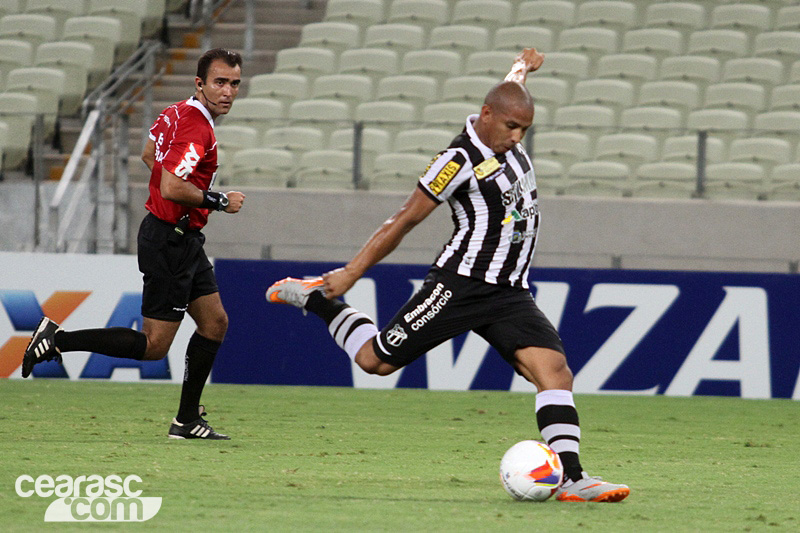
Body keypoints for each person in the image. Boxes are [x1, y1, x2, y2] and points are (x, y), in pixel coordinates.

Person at [266, 48, 629, 502]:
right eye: (511, 127)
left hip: (509, 290)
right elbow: (403, 219)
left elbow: (510, 93)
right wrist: (353, 271)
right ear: (486, 115)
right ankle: (318, 301)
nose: (517, 138)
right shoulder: (455, 162)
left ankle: (574, 479)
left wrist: (521, 68)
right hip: (458, 286)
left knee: (555, 372)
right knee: (375, 361)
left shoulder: (503, 119)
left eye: (525, 130)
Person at [22, 48, 246, 440]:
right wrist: (219, 200)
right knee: (155, 345)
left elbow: (148, 155)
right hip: (170, 241)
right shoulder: (198, 128)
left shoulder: (176, 112)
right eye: (220, 82)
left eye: (235, 83)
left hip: (182, 238)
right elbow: (172, 185)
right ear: (200, 84)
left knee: (215, 323)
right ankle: (56, 339)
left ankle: (187, 419)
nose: (228, 91)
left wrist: (178, 195)